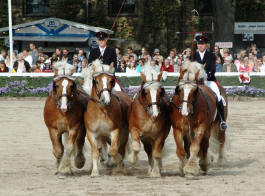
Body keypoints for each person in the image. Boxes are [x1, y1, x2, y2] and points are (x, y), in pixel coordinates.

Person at [194, 35, 227, 130]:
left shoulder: (211, 55)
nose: (200, 45)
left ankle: (222, 120)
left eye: (202, 44)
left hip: (209, 80)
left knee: (218, 95)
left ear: (206, 45)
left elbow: (212, 69)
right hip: (196, 82)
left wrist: (205, 76)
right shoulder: (194, 55)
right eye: (199, 44)